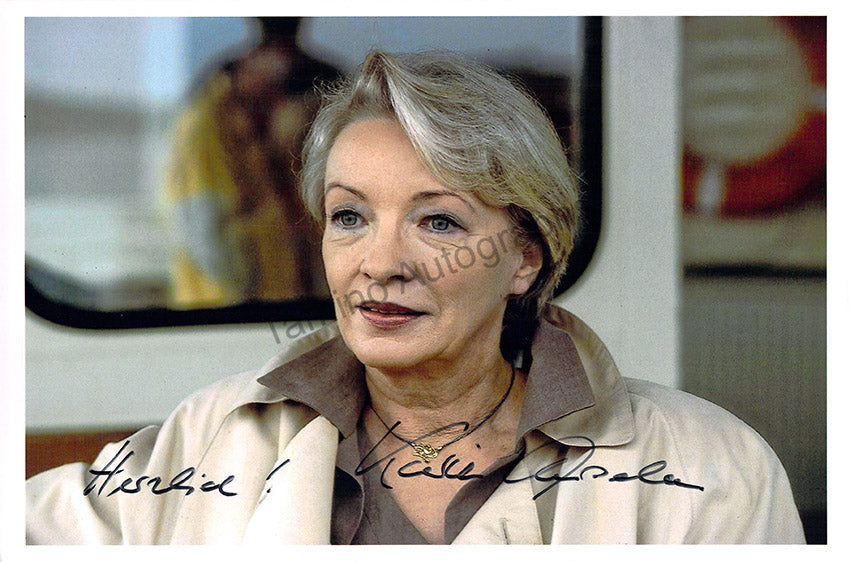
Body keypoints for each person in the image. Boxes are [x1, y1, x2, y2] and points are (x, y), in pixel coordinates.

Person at [26, 51, 805, 544]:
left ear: (525, 257)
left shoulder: (711, 470)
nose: (381, 263)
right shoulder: (206, 438)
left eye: (438, 222)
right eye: (349, 217)